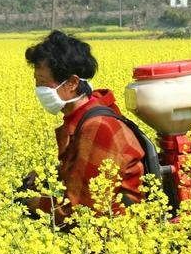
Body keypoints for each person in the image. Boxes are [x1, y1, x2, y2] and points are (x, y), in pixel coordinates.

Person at [19, 30, 145, 230]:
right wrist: (50, 174)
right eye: (36, 81)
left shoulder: (98, 127)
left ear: (72, 83)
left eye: (43, 82)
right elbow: (86, 171)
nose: (38, 88)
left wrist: (31, 204)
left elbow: (79, 211)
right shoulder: (89, 113)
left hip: (116, 245)